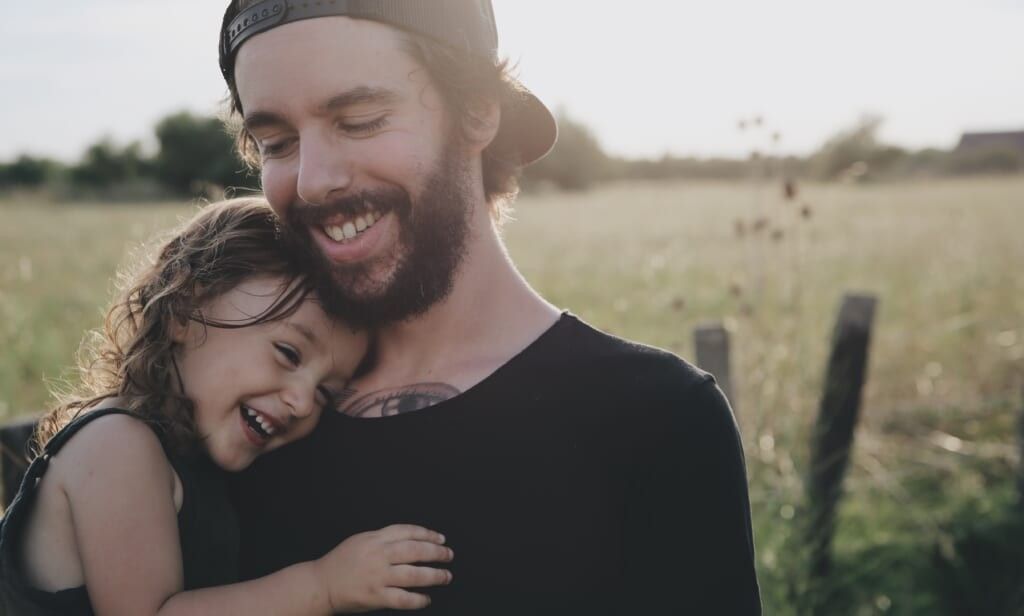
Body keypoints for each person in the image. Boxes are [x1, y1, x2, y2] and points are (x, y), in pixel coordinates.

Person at [221, 1, 762, 613]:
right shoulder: (243, 412)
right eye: (277, 142)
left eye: (360, 120)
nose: (313, 179)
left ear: (478, 114)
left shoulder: (656, 418)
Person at [0, 199, 454, 615]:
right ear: (183, 310)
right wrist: (324, 586)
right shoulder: (117, 446)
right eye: (288, 353)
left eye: (324, 394)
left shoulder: (192, 463)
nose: (300, 401)